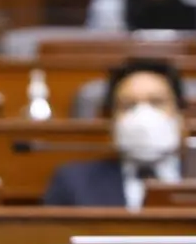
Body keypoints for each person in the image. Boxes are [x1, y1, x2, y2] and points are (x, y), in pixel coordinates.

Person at [43, 59, 187, 210]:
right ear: (111, 120)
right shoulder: (73, 184)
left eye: (156, 102)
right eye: (128, 105)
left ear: (181, 115)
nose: (143, 116)